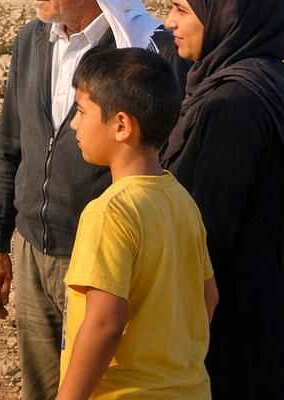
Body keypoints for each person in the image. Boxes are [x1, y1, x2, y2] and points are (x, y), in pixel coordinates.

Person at [0, 0, 184, 400]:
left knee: (100, 384)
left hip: (102, 256)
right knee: (40, 387)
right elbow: (10, 145)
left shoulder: (143, 52)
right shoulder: (31, 41)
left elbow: (165, 160)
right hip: (32, 251)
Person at [160, 0, 284, 400]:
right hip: (277, 286)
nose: (169, 21)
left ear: (224, 16)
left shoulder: (232, 104)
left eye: (181, 10)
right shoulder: (271, 77)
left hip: (238, 310)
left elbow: (205, 228)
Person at [59, 47, 216, 400]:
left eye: (81, 111)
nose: (73, 123)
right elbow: (209, 296)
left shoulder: (109, 212)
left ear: (121, 125)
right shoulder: (181, 199)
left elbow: (105, 323)